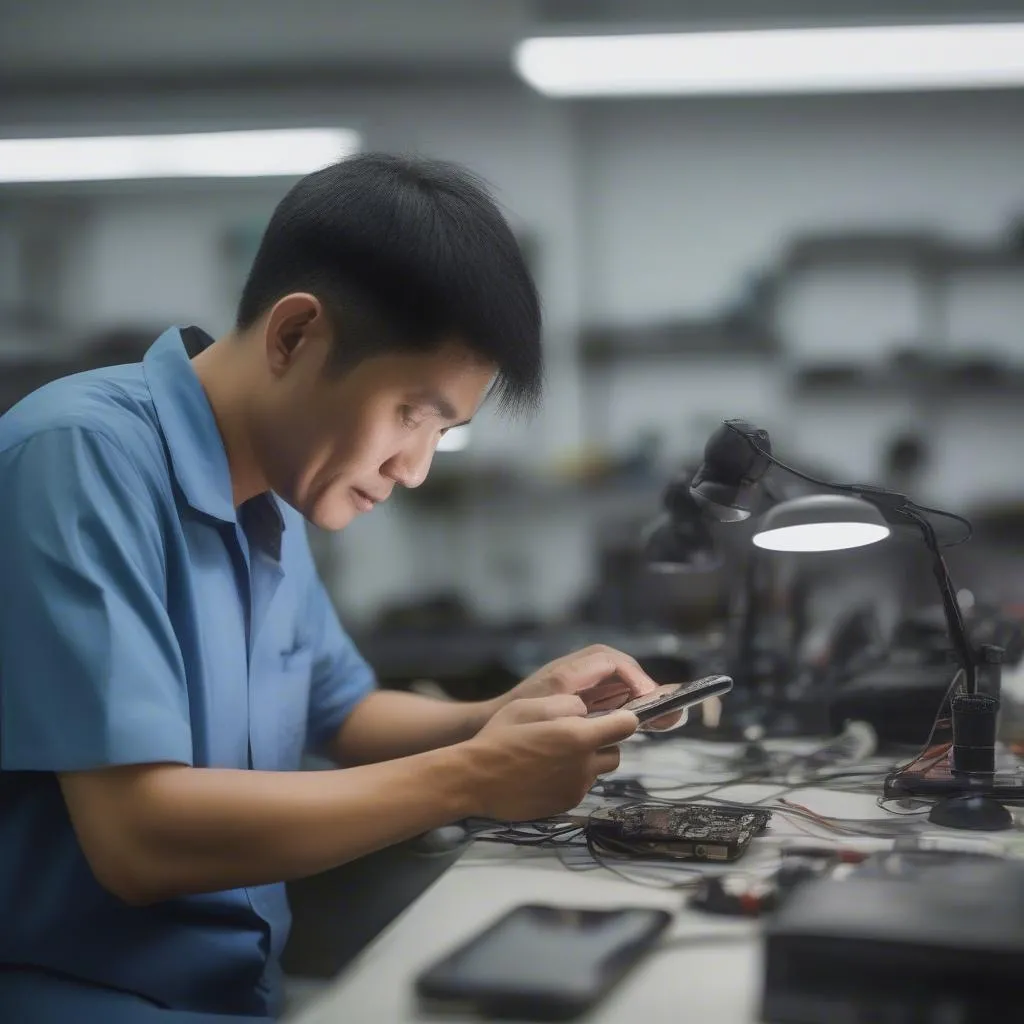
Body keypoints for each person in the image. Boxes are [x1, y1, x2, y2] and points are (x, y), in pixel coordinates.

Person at [0, 154, 680, 1022]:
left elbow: (342, 714)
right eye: (410, 412)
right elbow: (140, 836)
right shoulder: (79, 459)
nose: (417, 466)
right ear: (293, 336)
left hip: (240, 995)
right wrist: (474, 775)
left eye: (445, 431)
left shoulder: (274, 501)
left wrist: (512, 714)